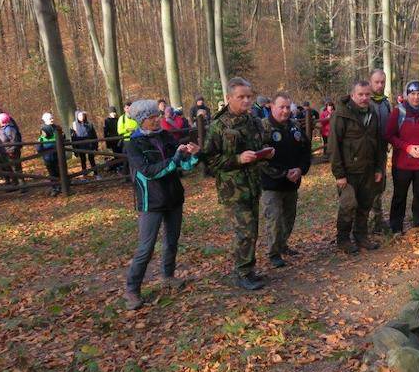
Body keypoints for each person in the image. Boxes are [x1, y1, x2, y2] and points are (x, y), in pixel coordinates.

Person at [123, 99, 200, 310]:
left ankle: (168, 276)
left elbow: (182, 165)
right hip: (151, 201)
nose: (156, 120)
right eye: (151, 118)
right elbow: (150, 171)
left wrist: (193, 156)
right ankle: (132, 289)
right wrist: (175, 159)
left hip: (173, 197)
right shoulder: (133, 144)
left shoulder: (166, 137)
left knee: (171, 241)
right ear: (141, 121)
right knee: (145, 248)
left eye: (156, 116)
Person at [202, 77, 274, 290]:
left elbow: (261, 144)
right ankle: (242, 273)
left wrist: (266, 153)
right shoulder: (218, 126)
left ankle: (248, 270)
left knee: (252, 229)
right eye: (240, 97)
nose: (246, 101)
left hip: (253, 184)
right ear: (228, 98)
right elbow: (209, 161)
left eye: (248, 97)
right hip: (233, 189)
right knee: (244, 231)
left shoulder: (253, 121)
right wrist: (237, 159)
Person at [329, 80, 385, 254]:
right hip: (348, 172)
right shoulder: (341, 115)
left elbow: (378, 143)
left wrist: (379, 168)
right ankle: (343, 239)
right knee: (348, 205)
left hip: (368, 170)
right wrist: (339, 174)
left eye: (367, 94)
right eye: (360, 94)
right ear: (352, 95)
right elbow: (333, 147)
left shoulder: (372, 114)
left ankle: (361, 236)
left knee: (365, 205)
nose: (364, 98)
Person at [258, 92, 312, 268]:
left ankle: (282, 244)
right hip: (271, 184)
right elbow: (260, 159)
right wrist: (283, 173)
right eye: (281, 107)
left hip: (292, 183)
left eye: (288, 107)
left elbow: (305, 150)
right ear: (272, 107)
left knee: (288, 218)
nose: (285, 111)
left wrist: (300, 169)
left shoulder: (294, 126)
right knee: (274, 219)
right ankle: (273, 253)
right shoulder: (263, 128)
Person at [385, 80, 419, 234]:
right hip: (402, 163)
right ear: (407, 95)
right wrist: (407, 147)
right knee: (399, 196)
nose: (416, 97)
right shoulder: (399, 112)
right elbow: (389, 135)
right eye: (412, 94)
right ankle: (396, 226)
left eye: (418, 94)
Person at [369, 69, 392, 233]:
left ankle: (377, 221)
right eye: (376, 82)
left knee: (379, 186)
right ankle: (366, 222)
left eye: (382, 82)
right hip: (366, 153)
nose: (379, 85)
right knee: (367, 187)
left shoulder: (385, 103)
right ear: (370, 82)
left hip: (382, 152)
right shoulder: (364, 101)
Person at [0, 113, 22, 189]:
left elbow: (14, 141)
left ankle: (22, 185)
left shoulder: (9, 129)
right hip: (5, 153)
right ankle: (15, 184)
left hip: (11, 153)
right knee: (10, 169)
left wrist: (11, 150)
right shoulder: (2, 129)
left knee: (16, 168)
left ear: (1, 121)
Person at [36, 112, 62, 196]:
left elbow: (62, 138)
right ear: (45, 120)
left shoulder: (57, 128)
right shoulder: (43, 129)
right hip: (48, 155)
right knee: (52, 172)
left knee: (59, 170)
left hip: (57, 154)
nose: (52, 119)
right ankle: (55, 188)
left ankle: (62, 186)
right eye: (50, 118)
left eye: (52, 118)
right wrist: (40, 151)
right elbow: (40, 142)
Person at [71, 111, 99, 176]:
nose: (81, 117)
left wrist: (95, 146)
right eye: (80, 116)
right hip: (80, 146)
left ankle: (96, 173)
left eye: (82, 115)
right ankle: (84, 174)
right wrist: (75, 149)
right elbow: (73, 138)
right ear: (77, 117)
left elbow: (94, 135)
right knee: (83, 160)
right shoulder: (74, 126)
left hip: (90, 145)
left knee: (92, 159)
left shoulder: (89, 124)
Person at [117, 101, 138, 177]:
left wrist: (136, 130)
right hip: (127, 141)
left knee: (137, 158)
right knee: (126, 159)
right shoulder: (121, 118)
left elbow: (140, 126)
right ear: (124, 109)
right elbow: (119, 131)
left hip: (137, 140)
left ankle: (136, 175)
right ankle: (125, 175)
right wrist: (127, 130)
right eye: (127, 108)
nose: (129, 109)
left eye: (130, 107)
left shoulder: (136, 116)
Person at [103, 106, 120, 172]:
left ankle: (121, 166)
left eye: (114, 112)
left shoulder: (118, 119)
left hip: (120, 139)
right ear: (109, 113)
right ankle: (117, 167)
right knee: (115, 154)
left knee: (121, 153)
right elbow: (106, 133)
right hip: (112, 141)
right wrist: (108, 143)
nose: (114, 114)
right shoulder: (107, 121)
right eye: (112, 112)